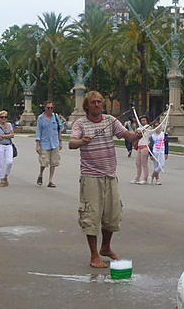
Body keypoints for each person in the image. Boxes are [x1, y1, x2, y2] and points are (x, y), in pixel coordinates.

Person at [69, 91, 140, 268]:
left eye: (99, 102)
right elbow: (71, 143)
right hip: (91, 176)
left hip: (110, 175)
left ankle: (106, 248)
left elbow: (127, 136)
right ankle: (94, 255)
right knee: (91, 216)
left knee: (112, 214)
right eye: (93, 102)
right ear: (86, 106)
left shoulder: (110, 121)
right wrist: (81, 141)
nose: (97, 105)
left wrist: (136, 135)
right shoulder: (80, 123)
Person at [35, 100, 64, 188]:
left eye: (51, 108)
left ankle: (50, 180)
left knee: (53, 162)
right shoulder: (40, 118)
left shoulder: (55, 117)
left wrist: (60, 141)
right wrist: (38, 144)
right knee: (44, 162)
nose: (50, 109)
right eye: (48, 108)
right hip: (44, 143)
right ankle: (40, 174)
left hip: (54, 142)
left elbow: (59, 129)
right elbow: (38, 131)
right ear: (45, 108)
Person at [0, 110, 16, 187]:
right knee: (1, 163)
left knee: (10, 162)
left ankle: (6, 176)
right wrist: (7, 135)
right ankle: (2, 179)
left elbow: (12, 135)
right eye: (2, 117)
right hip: (0, 146)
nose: (4, 118)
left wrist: (3, 136)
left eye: (5, 117)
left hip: (8, 145)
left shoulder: (9, 125)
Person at [131, 115, 151, 185]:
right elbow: (137, 134)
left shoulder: (149, 127)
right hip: (139, 147)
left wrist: (139, 131)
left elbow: (141, 133)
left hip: (145, 147)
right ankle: (137, 177)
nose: (143, 122)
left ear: (147, 121)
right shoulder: (139, 128)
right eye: (142, 120)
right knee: (137, 163)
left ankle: (145, 178)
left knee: (144, 164)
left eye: (144, 120)